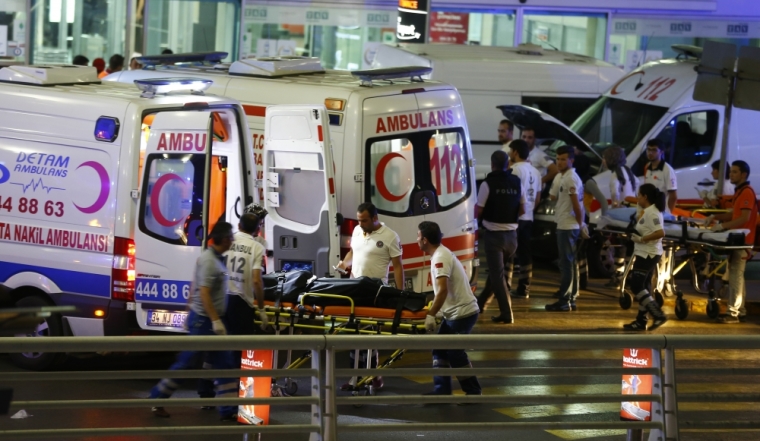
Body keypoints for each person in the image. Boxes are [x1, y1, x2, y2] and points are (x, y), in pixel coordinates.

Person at [149, 222, 238, 421]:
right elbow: (204, 292)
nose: (232, 240)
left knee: (225, 364)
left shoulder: (215, 259)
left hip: (207, 318)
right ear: (224, 239)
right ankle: (156, 398)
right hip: (205, 320)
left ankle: (229, 409)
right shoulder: (209, 261)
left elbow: (195, 286)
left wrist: (191, 309)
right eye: (231, 237)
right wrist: (215, 320)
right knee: (187, 362)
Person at [335, 202, 404, 389]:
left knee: (368, 335)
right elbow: (352, 251)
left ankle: (365, 376)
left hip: (374, 292)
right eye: (359, 220)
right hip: (354, 290)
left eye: (364, 220)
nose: (360, 223)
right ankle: (365, 376)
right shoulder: (357, 231)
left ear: (375, 218)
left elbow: (398, 266)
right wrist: (344, 264)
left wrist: (400, 294)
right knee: (354, 334)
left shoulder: (390, 237)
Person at [418, 221, 481, 398]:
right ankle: (442, 390)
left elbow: (443, 290)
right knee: (439, 349)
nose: (417, 239)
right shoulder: (440, 253)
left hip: (462, 313)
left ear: (424, 240)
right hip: (455, 312)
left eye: (418, 236)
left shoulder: (440, 257)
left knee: (455, 352)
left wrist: (430, 315)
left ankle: (473, 392)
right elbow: (442, 290)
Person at [706, 160, 757, 324]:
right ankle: (740, 310)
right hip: (737, 240)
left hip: (743, 241)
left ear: (744, 174)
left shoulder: (747, 192)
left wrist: (722, 226)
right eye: (731, 171)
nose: (731, 174)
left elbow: (744, 218)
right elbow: (734, 215)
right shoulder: (740, 192)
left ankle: (732, 312)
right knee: (737, 275)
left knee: (735, 275)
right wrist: (715, 217)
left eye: (735, 172)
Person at [475, 150, 523, 323]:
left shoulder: (487, 184)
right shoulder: (517, 182)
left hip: (494, 237)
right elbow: (523, 208)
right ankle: (480, 304)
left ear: (492, 164)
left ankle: (506, 312)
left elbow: (478, 210)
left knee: (497, 275)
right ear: (508, 164)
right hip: (512, 237)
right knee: (497, 272)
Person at [623, 183, 669, 331]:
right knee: (643, 287)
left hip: (648, 254)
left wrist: (642, 239)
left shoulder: (652, 213)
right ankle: (641, 321)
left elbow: (660, 233)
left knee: (636, 286)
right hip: (645, 252)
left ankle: (658, 314)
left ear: (645, 197)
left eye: (639, 195)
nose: (637, 198)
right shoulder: (647, 211)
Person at [545, 146, 584, 312]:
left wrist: (580, 225)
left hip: (568, 225)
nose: (559, 162)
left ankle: (565, 300)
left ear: (571, 160)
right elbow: (554, 196)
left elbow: (577, 205)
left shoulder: (570, 179)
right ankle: (571, 297)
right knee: (570, 262)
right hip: (565, 223)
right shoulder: (563, 177)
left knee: (566, 263)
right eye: (557, 159)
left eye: (563, 159)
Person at [506, 139, 541, 298]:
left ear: (515, 152)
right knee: (525, 253)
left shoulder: (514, 170)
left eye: (510, 150)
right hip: (529, 216)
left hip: (515, 217)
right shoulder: (536, 172)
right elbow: (538, 198)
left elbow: (511, 195)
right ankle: (524, 288)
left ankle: (505, 286)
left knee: (509, 252)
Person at [225, 213, 268, 338]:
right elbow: (256, 281)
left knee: (220, 347)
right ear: (257, 230)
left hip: (221, 299)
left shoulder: (226, 240)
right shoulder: (257, 248)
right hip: (241, 304)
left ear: (238, 226)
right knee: (238, 345)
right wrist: (261, 309)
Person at [641, 139, 677, 214]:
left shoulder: (667, 170)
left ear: (661, 152)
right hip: (649, 210)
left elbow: (673, 196)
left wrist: (668, 214)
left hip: (662, 211)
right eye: (648, 149)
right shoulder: (647, 167)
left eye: (654, 150)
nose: (650, 153)